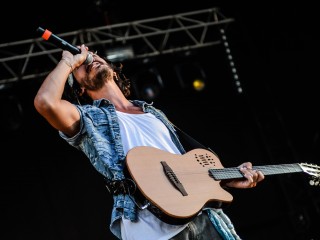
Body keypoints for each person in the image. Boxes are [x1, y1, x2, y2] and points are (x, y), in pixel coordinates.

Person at [34, 44, 265, 240]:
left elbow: (188, 166)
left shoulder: (153, 113)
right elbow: (45, 102)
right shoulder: (88, 119)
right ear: (81, 88)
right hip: (152, 230)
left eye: (93, 55)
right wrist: (68, 61)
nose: (89, 59)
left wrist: (228, 178)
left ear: (113, 71)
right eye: (81, 66)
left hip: (203, 219)